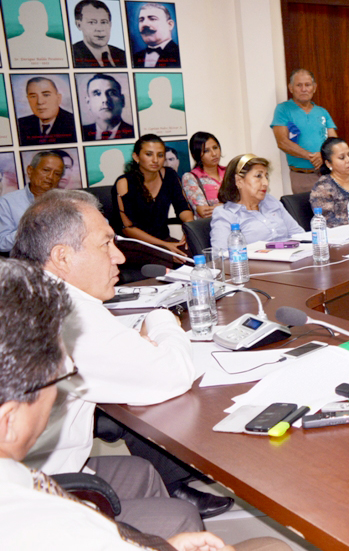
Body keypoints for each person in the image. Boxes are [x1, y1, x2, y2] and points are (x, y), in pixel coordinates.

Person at [0, 259, 289, 550]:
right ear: (8, 421)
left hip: (59, 482)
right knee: (272, 546)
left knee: (143, 472)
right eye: (64, 374)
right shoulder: (44, 523)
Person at [10, 190, 220, 533]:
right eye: (105, 244)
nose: (119, 257)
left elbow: (107, 351)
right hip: (29, 499)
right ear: (62, 257)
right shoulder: (66, 313)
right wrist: (163, 319)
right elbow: (172, 374)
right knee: (182, 516)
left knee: (142, 471)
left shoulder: (26, 290)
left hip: (40, 468)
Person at [114, 135, 194, 265]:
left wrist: (189, 230)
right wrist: (165, 246)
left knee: (193, 255)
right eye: (149, 154)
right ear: (136, 157)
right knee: (167, 259)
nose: (155, 160)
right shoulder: (124, 183)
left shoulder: (170, 175)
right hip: (134, 243)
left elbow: (183, 207)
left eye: (160, 155)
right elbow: (128, 229)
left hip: (163, 238)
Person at [211, 155, 303, 249]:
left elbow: (298, 234)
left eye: (266, 176)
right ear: (238, 181)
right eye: (258, 176)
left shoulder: (270, 201)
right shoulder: (226, 214)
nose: (266, 183)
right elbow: (221, 254)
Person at [271, 69, 338, 193]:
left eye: (307, 85)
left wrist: (323, 156)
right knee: (305, 206)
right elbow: (282, 142)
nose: (304, 89)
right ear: (291, 88)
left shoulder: (322, 112)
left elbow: (334, 142)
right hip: (302, 177)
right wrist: (313, 157)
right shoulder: (283, 109)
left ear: (314, 88)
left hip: (328, 173)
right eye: (299, 85)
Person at [0, 151, 63, 252]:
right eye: (46, 170)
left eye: (57, 174)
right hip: (25, 259)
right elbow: (2, 244)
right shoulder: (7, 203)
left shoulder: (65, 202)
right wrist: (31, 229)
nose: (50, 177)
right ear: (30, 170)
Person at [17, 77, 77, 146]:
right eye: (33, 96)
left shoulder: (75, 123)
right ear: (28, 99)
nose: (40, 102)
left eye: (46, 95)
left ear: (58, 98)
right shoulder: (20, 124)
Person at [181, 131, 225, 219]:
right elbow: (205, 212)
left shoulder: (230, 172)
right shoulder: (190, 177)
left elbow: (248, 203)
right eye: (206, 151)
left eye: (215, 148)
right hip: (211, 225)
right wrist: (233, 206)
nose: (214, 154)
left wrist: (221, 207)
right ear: (196, 154)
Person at [71, 0, 126, 67]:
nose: (99, 29)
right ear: (78, 25)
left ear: (110, 24)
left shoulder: (123, 55)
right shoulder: (72, 55)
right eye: (92, 22)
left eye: (103, 22)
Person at [81, 73, 135, 141]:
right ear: (88, 102)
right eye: (97, 93)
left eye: (111, 93)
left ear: (122, 100)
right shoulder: (80, 133)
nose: (105, 100)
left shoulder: (134, 132)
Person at [132, 2, 180, 68]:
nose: (144, 24)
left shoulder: (180, 54)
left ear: (170, 25)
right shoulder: (134, 58)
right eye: (141, 20)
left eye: (152, 19)